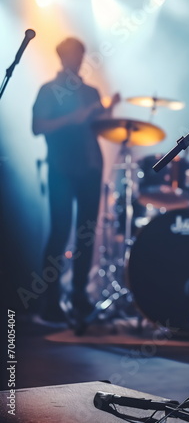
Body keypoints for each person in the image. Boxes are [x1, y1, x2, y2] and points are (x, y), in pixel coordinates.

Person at [32, 37, 119, 326]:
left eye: (80, 55)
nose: (78, 60)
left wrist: (109, 111)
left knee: (86, 234)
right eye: (73, 55)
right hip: (61, 169)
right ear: (61, 57)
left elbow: (100, 128)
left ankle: (80, 296)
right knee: (59, 233)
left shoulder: (91, 91)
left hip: (91, 169)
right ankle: (50, 301)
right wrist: (74, 117)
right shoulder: (49, 90)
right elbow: (38, 126)